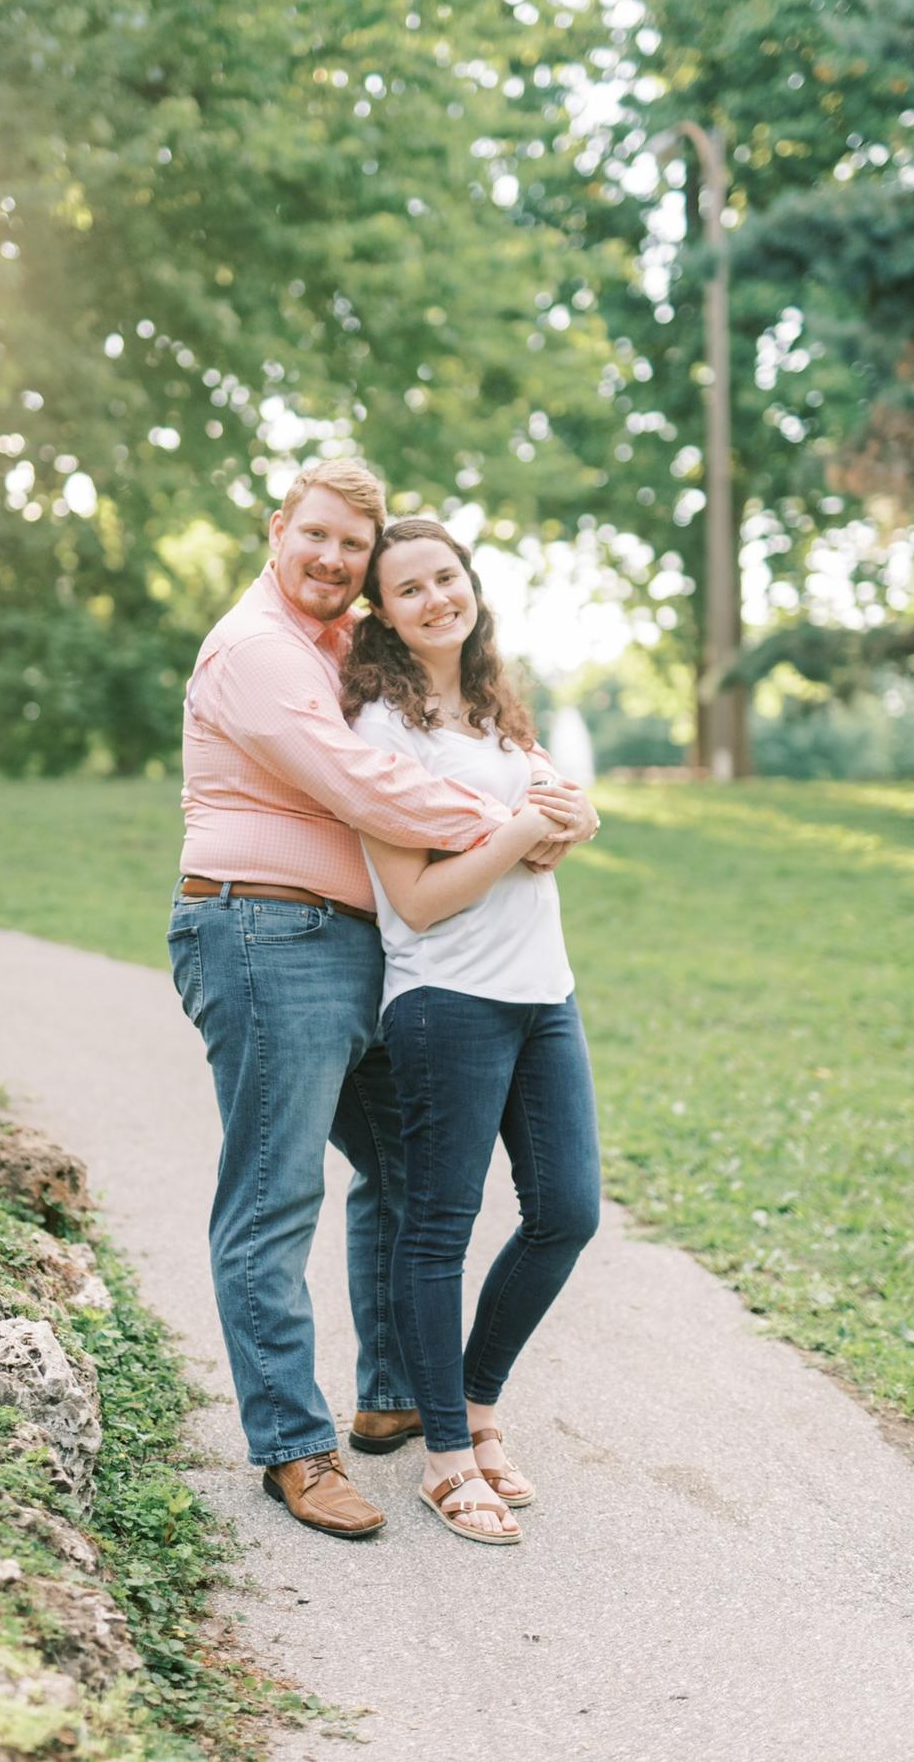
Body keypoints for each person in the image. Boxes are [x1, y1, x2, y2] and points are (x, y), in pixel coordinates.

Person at [167, 461, 597, 1539]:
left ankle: (398, 1394)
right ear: (277, 530)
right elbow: (365, 785)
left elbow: (466, 737)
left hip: (353, 941)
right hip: (265, 931)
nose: (330, 557)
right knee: (273, 1195)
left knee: (405, 1170)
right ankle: (292, 1446)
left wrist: (552, 803)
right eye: (314, 534)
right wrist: (514, 825)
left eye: (350, 546)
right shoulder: (259, 650)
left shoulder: (338, 645)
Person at [341, 517, 602, 1546]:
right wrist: (523, 830)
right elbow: (414, 901)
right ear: (382, 612)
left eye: (445, 577)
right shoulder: (379, 729)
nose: (435, 598)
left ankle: (477, 1402)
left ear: (471, 584)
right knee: (437, 1227)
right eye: (408, 588)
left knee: (566, 1212)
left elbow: (551, 814)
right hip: (446, 998)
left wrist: (572, 820)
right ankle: (447, 1456)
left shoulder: (495, 707)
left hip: (545, 993)